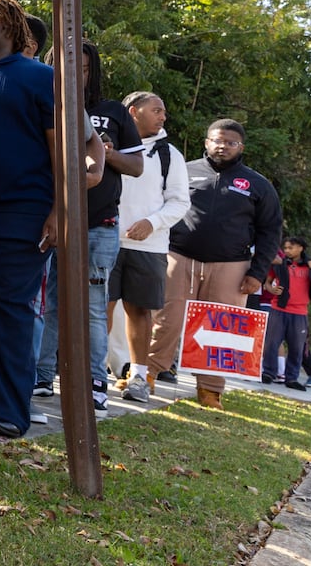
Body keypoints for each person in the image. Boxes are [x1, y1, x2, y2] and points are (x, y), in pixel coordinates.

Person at [0, 0, 102, 438]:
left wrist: (56, 211)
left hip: (22, 214)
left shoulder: (42, 78)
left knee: (8, 307)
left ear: (9, 26)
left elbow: (61, 151)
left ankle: (8, 408)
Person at [35, 40, 142, 412]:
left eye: (81, 68)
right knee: (46, 303)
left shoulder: (113, 111)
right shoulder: (44, 102)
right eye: (66, 67)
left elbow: (136, 166)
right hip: (49, 218)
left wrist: (104, 152)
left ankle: (94, 382)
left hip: (98, 224)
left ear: (92, 70)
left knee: (94, 306)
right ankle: (41, 377)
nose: (74, 74)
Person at [152, 119, 283, 409]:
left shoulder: (258, 185)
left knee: (221, 331)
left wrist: (257, 273)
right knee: (164, 318)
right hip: (178, 256)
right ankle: (146, 374)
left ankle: (210, 391)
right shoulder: (182, 171)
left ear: (241, 147)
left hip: (231, 266)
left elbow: (271, 231)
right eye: (216, 140)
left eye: (230, 142)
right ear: (206, 142)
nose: (222, 146)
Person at [111, 91, 189, 402]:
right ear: (133, 112)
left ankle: (140, 378)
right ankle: (93, 375)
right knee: (98, 309)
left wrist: (152, 223)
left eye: (164, 111)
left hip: (150, 247)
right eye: (157, 110)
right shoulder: (107, 144)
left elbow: (180, 202)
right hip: (106, 240)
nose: (163, 116)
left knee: (140, 310)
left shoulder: (170, 155)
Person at [261, 236, 311, 390]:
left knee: (297, 348)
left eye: (290, 247)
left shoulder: (310, 268)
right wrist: (272, 289)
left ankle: (291, 378)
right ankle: (269, 373)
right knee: (272, 343)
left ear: (300, 248)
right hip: (278, 309)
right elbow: (267, 283)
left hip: (299, 313)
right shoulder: (280, 264)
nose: (286, 251)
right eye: (285, 248)